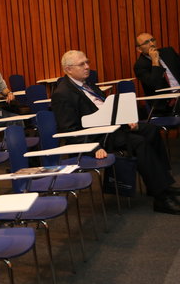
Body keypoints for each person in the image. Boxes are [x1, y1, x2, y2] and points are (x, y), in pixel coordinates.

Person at [51, 50, 180, 215]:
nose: (87, 66)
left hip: (111, 126)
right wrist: (93, 147)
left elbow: (105, 109)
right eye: (82, 64)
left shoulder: (88, 84)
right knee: (139, 143)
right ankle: (161, 198)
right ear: (68, 69)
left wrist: (125, 119)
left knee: (151, 130)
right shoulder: (62, 94)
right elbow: (69, 130)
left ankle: (162, 184)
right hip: (97, 136)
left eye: (87, 62)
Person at [134, 33, 180, 115]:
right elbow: (155, 84)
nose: (151, 44)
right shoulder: (140, 66)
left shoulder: (168, 52)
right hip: (167, 103)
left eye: (152, 40)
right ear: (139, 49)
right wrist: (155, 62)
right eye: (146, 42)